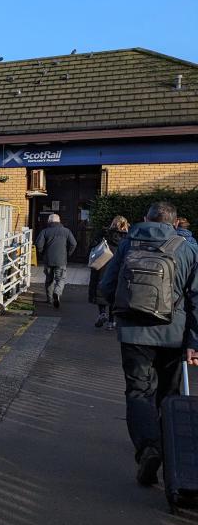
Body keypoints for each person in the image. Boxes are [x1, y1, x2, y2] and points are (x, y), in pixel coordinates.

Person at [100, 201, 198, 486]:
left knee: (139, 391)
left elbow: (107, 285)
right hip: (173, 333)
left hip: (133, 332)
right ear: (176, 222)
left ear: (145, 218)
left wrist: (113, 313)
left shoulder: (128, 243)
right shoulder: (188, 247)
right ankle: (170, 451)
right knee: (169, 393)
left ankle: (147, 447)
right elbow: (196, 299)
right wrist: (193, 340)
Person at [88, 215, 130, 329]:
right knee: (115, 292)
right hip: (118, 266)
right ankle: (112, 321)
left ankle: (102, 313)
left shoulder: (104, 233)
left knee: (100, 288)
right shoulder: (127, 237)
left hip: (103, 264)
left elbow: (92, 244)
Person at [35, 213, 77, 308]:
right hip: (61, 260)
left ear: (49, 221)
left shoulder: (45, 231)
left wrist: (43, 254)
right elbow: (74, 243)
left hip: (48, 260)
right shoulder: (66, 231)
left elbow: (38, 244)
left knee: (49, 280)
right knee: (60, 279)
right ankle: (57, 293)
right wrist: (68, 254)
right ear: (59, 221)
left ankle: (49, 299)